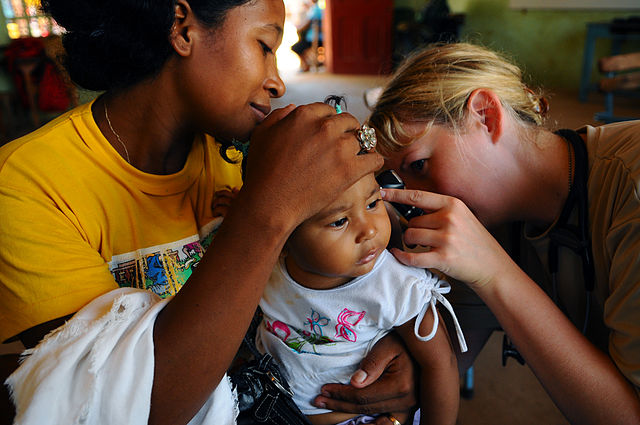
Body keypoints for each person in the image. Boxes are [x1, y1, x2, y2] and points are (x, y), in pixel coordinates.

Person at [0, 0, 423, 423]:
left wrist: (392, 346)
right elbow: (126, 406)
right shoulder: (27, 185)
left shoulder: (244, 157)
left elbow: (348, 269)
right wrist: (268, 209)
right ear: (183, 29)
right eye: (264, 45)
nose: (277, 83)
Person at [366, 42, 640, 425]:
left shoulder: (632, 183)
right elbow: (450, 348)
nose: (419, 199)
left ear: (485, 114)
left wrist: (494, 271)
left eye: (420, 164)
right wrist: (413, 368)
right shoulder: (498, 217)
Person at [256, 169, 467, 425]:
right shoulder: (265, 262)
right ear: (282, 233)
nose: (368, 230)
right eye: (339, 221)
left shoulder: (396, 285)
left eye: (372, 203)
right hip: (267, 402)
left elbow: (441, 365)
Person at [290, 0, 323, 72]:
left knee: (296, 48)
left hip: (313, 39)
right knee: (301, 47)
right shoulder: (319, 10)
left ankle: (305, 65)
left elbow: (306, 25)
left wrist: (298, 28)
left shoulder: (315, 10)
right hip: (319, 38)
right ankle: (308, 63)